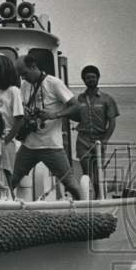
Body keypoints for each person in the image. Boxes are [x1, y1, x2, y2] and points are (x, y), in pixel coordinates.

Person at [10, 54, 84, 200]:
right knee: (12, 179)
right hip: (29, 145)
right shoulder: (25, 85)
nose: (23, 78)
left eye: (24, 73)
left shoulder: (54, 83)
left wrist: (54, 115)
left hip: (51, 145)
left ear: (33, 66)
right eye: (20, 75)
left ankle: (85, 210)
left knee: (70, 183)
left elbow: (77, 107)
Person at [71, 65, 119, 198]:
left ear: (98, 78)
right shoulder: (79, 99)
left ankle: (98, 196)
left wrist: (105, 140)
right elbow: (72, 114)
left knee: (98, 170)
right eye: (88, 78)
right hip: (83, 139)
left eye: (93, 77)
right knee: (86, 171)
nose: (90, 80)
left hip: (99, 140)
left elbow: (112, 122)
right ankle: (88, 196)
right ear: (83, 80)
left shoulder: (107, 99)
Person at [0, 53, 23, 181]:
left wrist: (6, 140)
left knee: (7, 175)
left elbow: (19, 119)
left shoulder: (13, 91)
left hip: (5, 140)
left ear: (2, 70)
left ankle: (11, 199)